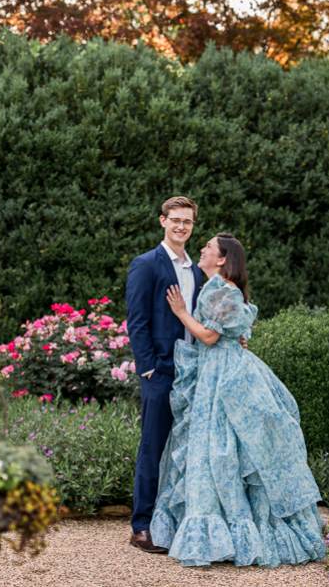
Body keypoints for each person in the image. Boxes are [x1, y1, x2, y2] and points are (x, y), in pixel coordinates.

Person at [149, 232, 326, 567]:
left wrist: (181, 312)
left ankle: (236, 535)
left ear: (223, 259)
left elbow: (209, 336)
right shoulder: (218, 289)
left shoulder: (224, 290)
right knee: (219, 449)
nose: (201, 249)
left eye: (208, 248)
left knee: (223, 448)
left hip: (226, 377)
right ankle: (222, 532)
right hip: (216, 373)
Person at [126, 196, 205, 553]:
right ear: (162, 221)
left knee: (186, 449)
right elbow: (137, 321)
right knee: (153, 447)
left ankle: (172, 521)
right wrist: (148, 368)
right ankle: (141, 527)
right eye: (175, 220)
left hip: (194, 371)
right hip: (160, 371)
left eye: (187, 221)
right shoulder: (146, 265)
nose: (181, 227)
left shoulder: (198, 271)